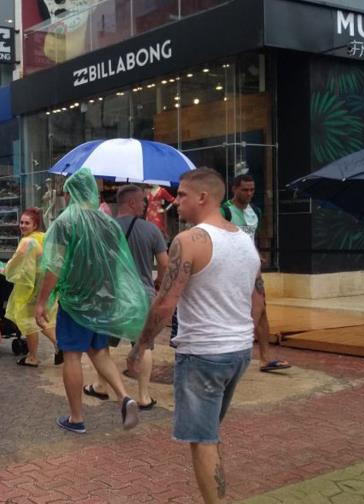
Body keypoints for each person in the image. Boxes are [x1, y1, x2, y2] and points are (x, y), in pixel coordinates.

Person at [127, 168, 272, 504]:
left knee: (202, 439)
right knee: (210, 432)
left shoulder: (189, 241)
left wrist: (141, 346)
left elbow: (164, 304)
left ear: (203, 197)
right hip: (237, 352)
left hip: (203, 354)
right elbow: (259, 299)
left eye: (182, 195)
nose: (175, 202)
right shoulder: (244, 242)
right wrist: (241, 334)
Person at [34, 168, 148, 435]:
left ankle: (76, 417)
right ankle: (123, 396)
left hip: (75, 300)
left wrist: (41, 301)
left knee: (72, 355)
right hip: (102, 298)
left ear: (71, 193)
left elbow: (55, 265)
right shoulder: (108, 222)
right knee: (100, 352)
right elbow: (117, 262)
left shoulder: (65, 222)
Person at [87, 185, 169, 410]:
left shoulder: (105, 229)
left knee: (103, 344)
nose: (145, 206)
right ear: (132, 203)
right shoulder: (152, 231)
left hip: (111, 296)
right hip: (142, 297)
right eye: (142, 202)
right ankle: (144, 396)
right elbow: (164, 264)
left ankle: (101, 385)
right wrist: (159, 283)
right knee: (144, 346)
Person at [222, 174, 290, 372]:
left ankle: (265, 358)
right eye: (245, 189)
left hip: (252, 270)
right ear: (234, 189)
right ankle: (228, 353)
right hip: (231, 270)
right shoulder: (224, 210)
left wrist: (257, 254)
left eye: (252, 189)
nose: (249, 193)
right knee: (230, 311)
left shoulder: (255, 211)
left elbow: (252, 239)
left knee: (261, 310)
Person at [4, 208, 61, 367]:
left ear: (35, 224)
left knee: (27, 320)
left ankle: (33, 357)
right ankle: (58, 344)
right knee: (39, 318)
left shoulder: (27, 242)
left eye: (27, 223)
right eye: (21, 222)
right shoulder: (44, 237)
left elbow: (15, 262)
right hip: (44, 284)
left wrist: (6, 270)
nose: (22, 225)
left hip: (30, 287)